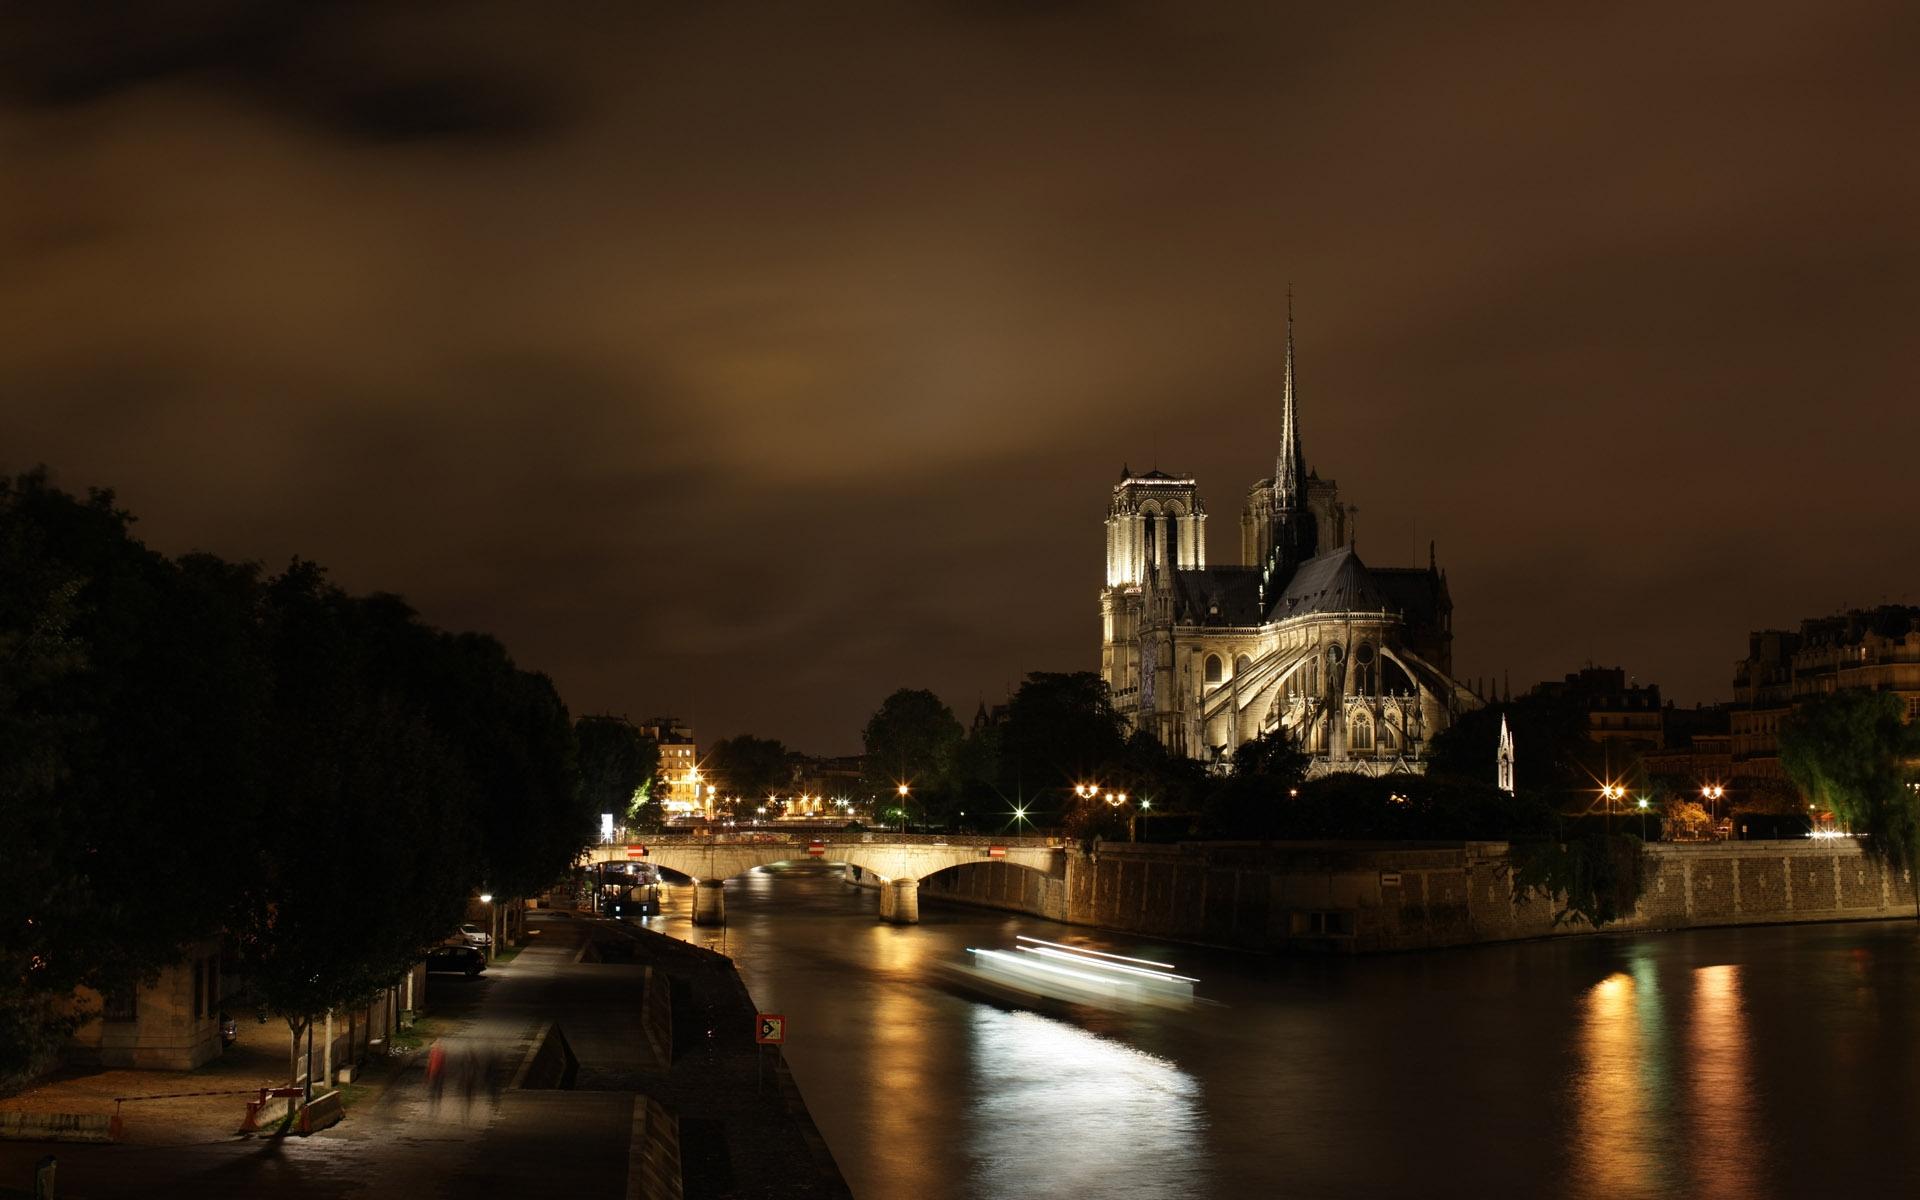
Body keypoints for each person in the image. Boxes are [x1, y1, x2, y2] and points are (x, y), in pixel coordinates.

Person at [425, 1039, 447, 1108]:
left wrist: (426, 1074)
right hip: (440, 1073)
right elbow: (443, 1064)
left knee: (432, 1088)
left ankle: (432, 1104)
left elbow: (429, 1064)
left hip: (433, 1072)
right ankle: (438, 1104)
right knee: (439, 1089)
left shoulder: (432, 1052)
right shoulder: (442, 1052)